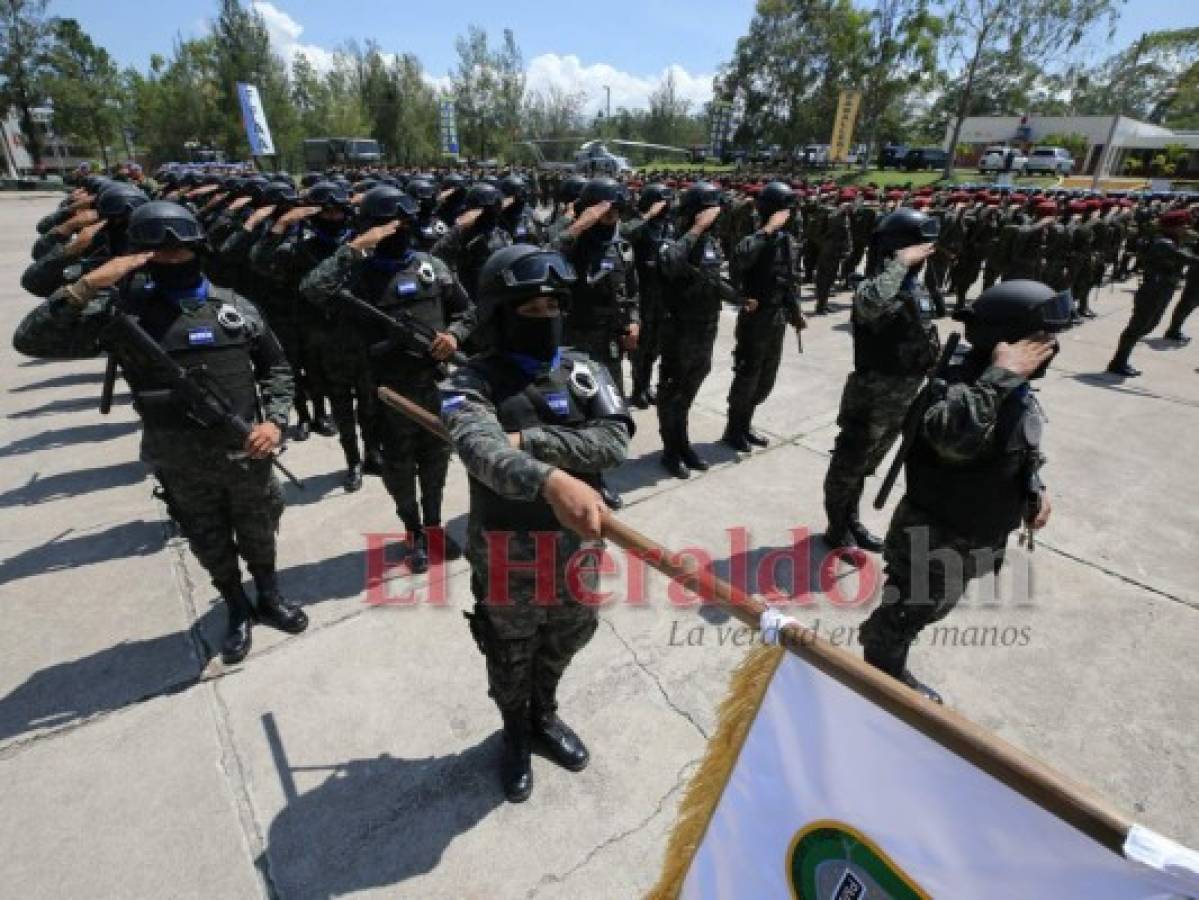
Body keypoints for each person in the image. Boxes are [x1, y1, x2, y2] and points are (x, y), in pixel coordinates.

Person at [12, 201, 306, 664]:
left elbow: (277, 368)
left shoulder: (234, 306)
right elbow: (31, 339)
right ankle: (236, 608)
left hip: (246, 451)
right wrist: (88, 285)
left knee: (260, 530)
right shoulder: (121, 314)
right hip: (180, 460)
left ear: (198, 249)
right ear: (138, 255)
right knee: (209, 540)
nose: (171, 260)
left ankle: (269, 596)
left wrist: (276, 420)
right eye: (158, 254)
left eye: (180, 251)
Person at [439, 244, 632, 802]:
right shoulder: (467, 383)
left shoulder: (585, 370)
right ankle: (515, 730)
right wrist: (553, 480)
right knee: (509, 650)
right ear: (500, 312)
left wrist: (535, 442)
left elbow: (615, 440)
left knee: (570, 634)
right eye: (532, 309)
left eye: (555, 306)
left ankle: (544, 711)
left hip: (576, 550)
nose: (548, 317)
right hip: (509, 555)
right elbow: (482, 452)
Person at [858, 281, 1070, 702]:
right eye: (1042, 338)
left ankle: (884, 652)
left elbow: (1018, 442)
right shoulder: (962, 385)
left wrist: (1033, 486)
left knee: (933, 606)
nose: (1050, 347)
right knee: (910, 612)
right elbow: (948, 435)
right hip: (935, 539)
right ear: (1007, 341)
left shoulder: (1009, 387)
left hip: (973, 532)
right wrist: (998, 378)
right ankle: (878, 673)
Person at [304, 186, 474, 572]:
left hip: (434, 386)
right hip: (383, 393)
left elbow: (468, 312)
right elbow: (311, 289)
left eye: (402, 224)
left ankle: (433, 526)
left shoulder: (432, 267)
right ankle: (412, 531)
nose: (395, 232)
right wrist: (357, 247)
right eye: (386, 225)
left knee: (435, 464)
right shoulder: (355, 275)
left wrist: (454, 337)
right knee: (398, 469)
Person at [823, 208, 940, 552]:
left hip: (903, 395)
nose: (924, 257)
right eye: (920, 250)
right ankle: (836, 527)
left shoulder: (914, 288)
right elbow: (869, 304)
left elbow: (923, 334)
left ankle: (851, 520)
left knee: (868, 465)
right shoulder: (872, 286)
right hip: (872, 395)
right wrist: (900, 264)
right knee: (849, 464)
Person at [553, 177, 639, 508]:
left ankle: (597, 477)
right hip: (575, 344)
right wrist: (576, 224)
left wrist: (634, 320)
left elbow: (632, 290)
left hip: (610, 345)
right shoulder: (573, 245)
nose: (611, 215)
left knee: (606, 414)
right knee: (576, 417)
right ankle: (581, 481)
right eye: (604, 210)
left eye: (616, 209)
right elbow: (543, 254)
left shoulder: (622, 245)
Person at [723, 180, 804, 452]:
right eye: (785, 210)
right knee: (747, 375)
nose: (790, 215)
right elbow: (738, 259)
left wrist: (795, 312)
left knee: (766, 379)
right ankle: (734, 429)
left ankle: (746, 423)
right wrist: (768, 230)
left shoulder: (788, 241)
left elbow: (788, 280)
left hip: (777, 318)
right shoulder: (754, 236)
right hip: (755, 319)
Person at [655, 181, 725, 478]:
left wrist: (738, 298)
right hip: (680, 330)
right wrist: (695, 230)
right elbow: (669, 263)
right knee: (672, 389)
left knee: (689, 389)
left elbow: (711, 279)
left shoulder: (711, 242)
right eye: (709, 210)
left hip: (705, 329)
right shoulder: (672, 238)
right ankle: (671, 449)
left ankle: (682, 442)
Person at [1107, 209, 1199, 376]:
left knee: (1148, 325)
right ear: (1173, 226)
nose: (1186, 228)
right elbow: (1187, 259)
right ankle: (1118, 362)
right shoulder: (1163, 243)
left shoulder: (1170, 240)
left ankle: (1120, 360)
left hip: (1161, 288)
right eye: (1183, 225)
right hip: (1153, 290)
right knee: (1138, 327)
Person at [622, 182, 675, 409]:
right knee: (640, 347)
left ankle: (645, 386)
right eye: (661, 203)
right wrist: (646, 215)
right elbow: (624, 234)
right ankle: (637, 389)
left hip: (661, 296)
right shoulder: (638, 225)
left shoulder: (668, 228)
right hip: (642, 294)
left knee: (655, 346)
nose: (665, 208)